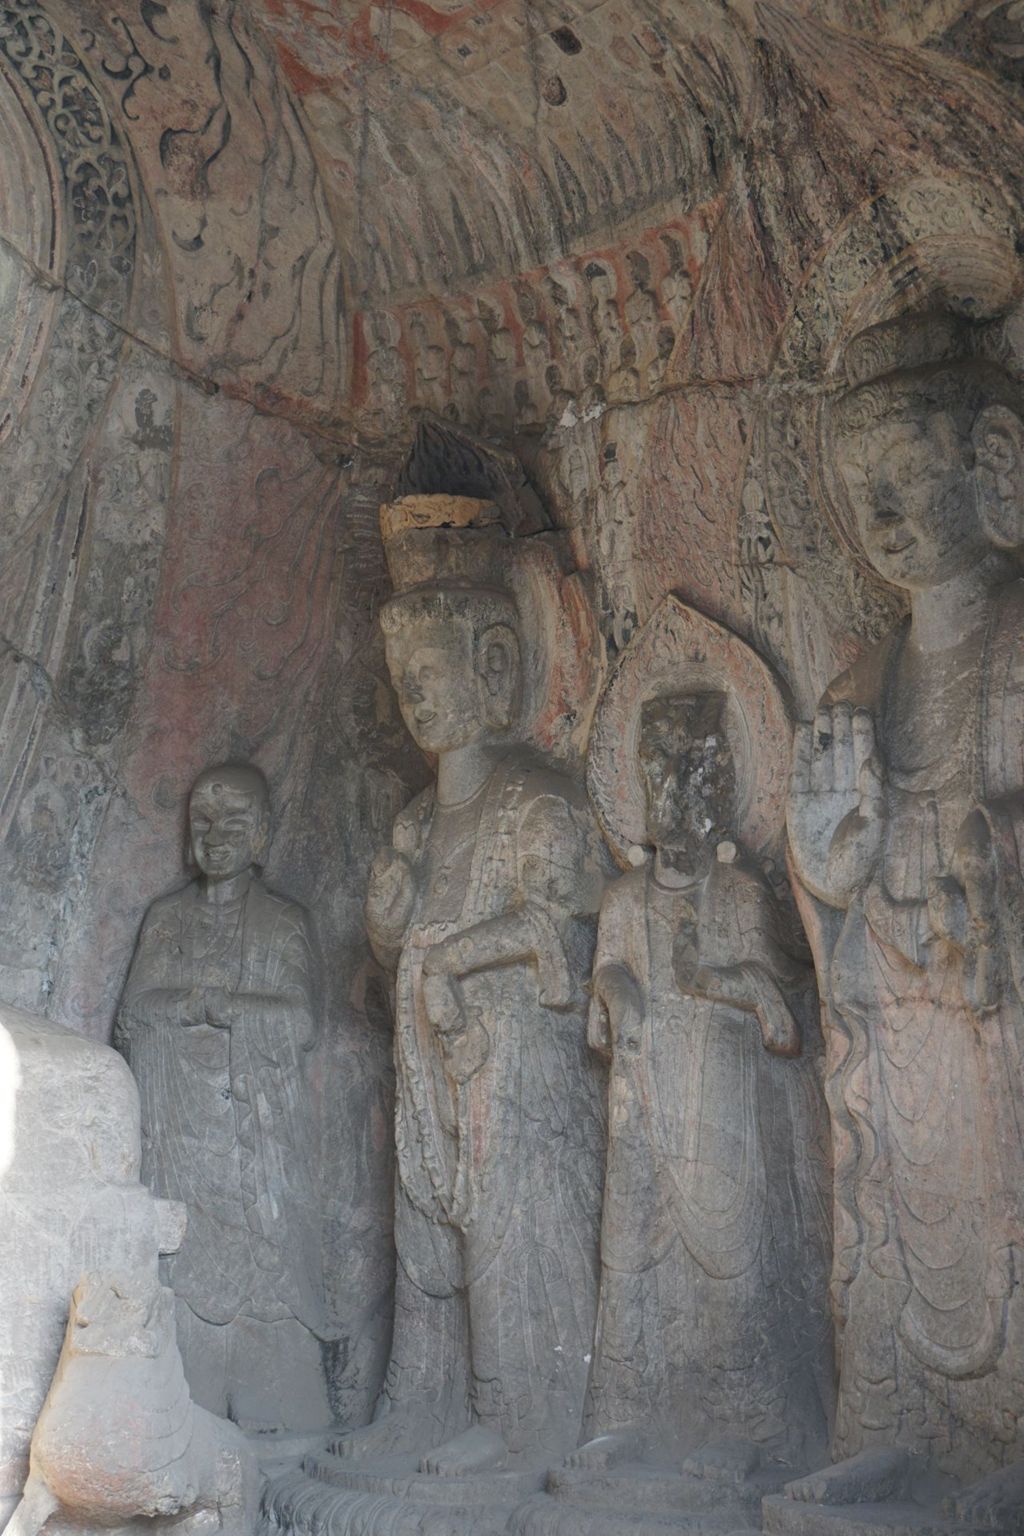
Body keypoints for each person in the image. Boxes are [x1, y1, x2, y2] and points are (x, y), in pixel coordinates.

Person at [786, 314, 1024, 1525]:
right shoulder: (854, 689)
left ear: (993, 465)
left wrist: (992, 887)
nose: (878, 512)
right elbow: (825, 890)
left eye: (904, 477)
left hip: (999, 1020)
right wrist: (832, 871)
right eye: (857, 489)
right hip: (902, 1024)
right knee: (888, 1201)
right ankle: (896, 1429)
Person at [340, 498, 607, 1477]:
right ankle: (420, 1401)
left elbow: (561, 932)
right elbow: (392, 950)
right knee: (423, 1240)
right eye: (401, 679)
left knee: (512, 1234)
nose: (413, 695)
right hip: (431, 1058)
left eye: (431, 673)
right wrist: (388, 918)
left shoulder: (540, 798)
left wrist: (451, 957)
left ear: (495, 670)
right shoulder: (417, 820)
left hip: (518, 1065)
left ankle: (524, 1414)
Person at [576, 599, 832, 1491]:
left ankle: (745, 1423)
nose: (677, 791)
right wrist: (615, 991)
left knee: (731, 1266)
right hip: (643, 1103)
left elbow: (786, 1019)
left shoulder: (742, 899)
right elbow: (600, 993)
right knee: (632, 1255)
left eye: (697, 771)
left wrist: (713, 979)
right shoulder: (618, 901)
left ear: (725, 785)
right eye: (659, 774)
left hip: (722, 1107)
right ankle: (625, 1413)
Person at [117, 763, 333, 1432]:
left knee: (270, 1284)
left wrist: (222, 1009)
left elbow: (298, 1021)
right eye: (202, 824)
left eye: (234, 824)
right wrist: (195, 1007)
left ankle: (277, 1399)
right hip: (182, 1139)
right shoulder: (168, 918)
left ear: (262, 835)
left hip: (258, 1140)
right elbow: (132, 1018)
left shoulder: (282, 922)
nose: (216, 838)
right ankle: (189, 1394)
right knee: (182, 1277)